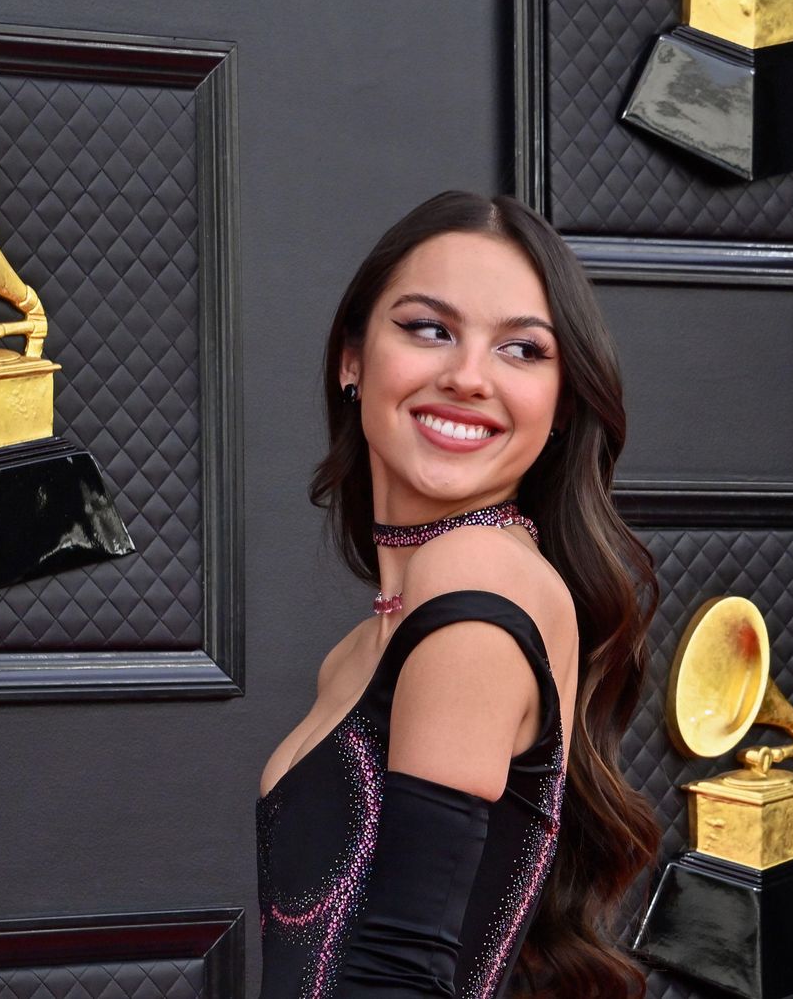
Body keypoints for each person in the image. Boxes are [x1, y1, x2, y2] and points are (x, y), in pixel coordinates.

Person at [257, 191, 659, 998]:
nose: (467, 377)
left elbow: (402, 976)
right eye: (428, 329)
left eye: (522, 350)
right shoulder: (370, 642)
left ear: (561, 402)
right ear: (352, 357)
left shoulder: (475, 573)